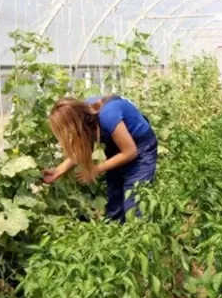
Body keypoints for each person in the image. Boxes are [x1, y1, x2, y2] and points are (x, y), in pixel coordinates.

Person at [42, 95, 158, 224]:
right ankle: (117, 231)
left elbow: (130, 152)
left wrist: (97, 169)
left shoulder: (108, 115)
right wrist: (58, 171)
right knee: (115, 200)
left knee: (134, 202)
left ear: (74, 124)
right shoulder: (84, 115)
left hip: (141, 147)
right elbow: (83, 147)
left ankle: (139, 231)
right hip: (116, 147)